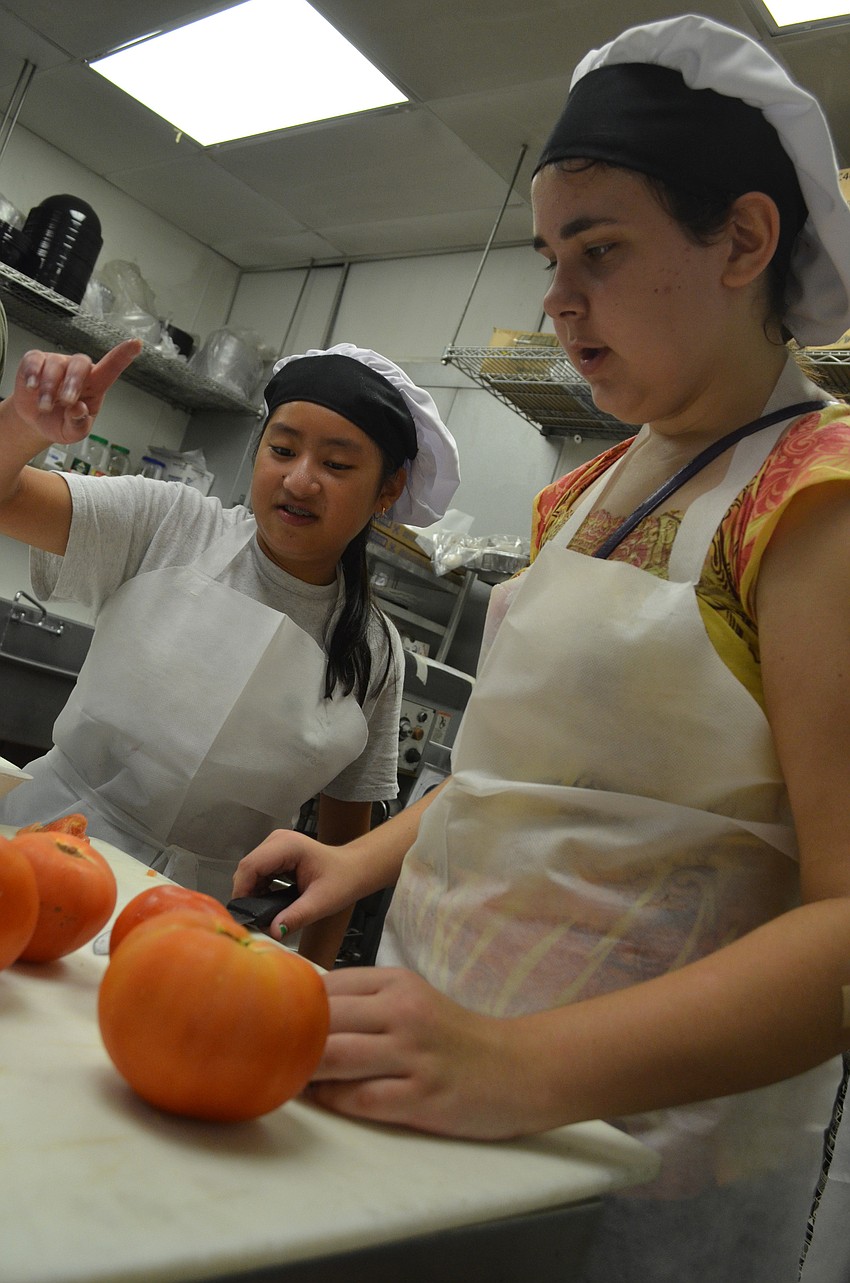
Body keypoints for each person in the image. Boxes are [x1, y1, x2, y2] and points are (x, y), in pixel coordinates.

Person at [233, 14, 850, 1281]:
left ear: (743, 238)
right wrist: (360, 867)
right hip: (438, 1071)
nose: (558, 299)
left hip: (628, 1150)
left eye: (601, 250)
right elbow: (525, 772)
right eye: (549, 255)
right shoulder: (585, 496)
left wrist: (520, 1063)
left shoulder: (812, 499)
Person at [0, 340, 460, 967]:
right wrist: (23, 426)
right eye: (283, 449)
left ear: (389, 489)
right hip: (45, 850)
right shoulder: (170, 524)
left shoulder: (373, 651)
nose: (299, 479)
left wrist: (316, 979)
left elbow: (341, 856)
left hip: (190, 928)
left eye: (338, 464)